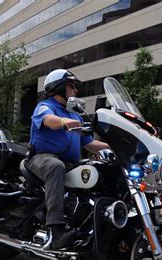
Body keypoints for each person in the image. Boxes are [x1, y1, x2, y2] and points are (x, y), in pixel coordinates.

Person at [25, 69, 110, 249]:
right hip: (42, 158)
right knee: (55, 166)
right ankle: (56, 230)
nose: (76, 91)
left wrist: (113, 146)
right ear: (60, 87)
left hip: (70, 163)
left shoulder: (75, 115)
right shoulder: (45, 106)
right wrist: (62, 122)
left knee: (96, 170)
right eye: (72, 86)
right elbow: (48, 120)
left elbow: (89, 143)